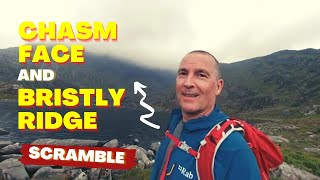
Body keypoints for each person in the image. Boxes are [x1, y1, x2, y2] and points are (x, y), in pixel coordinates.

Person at [150, 50, 261, 180]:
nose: (188, 83)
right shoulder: (175, 125)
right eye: (183, 73)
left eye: (201, 75)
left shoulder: (235, 150)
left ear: (218, 87)